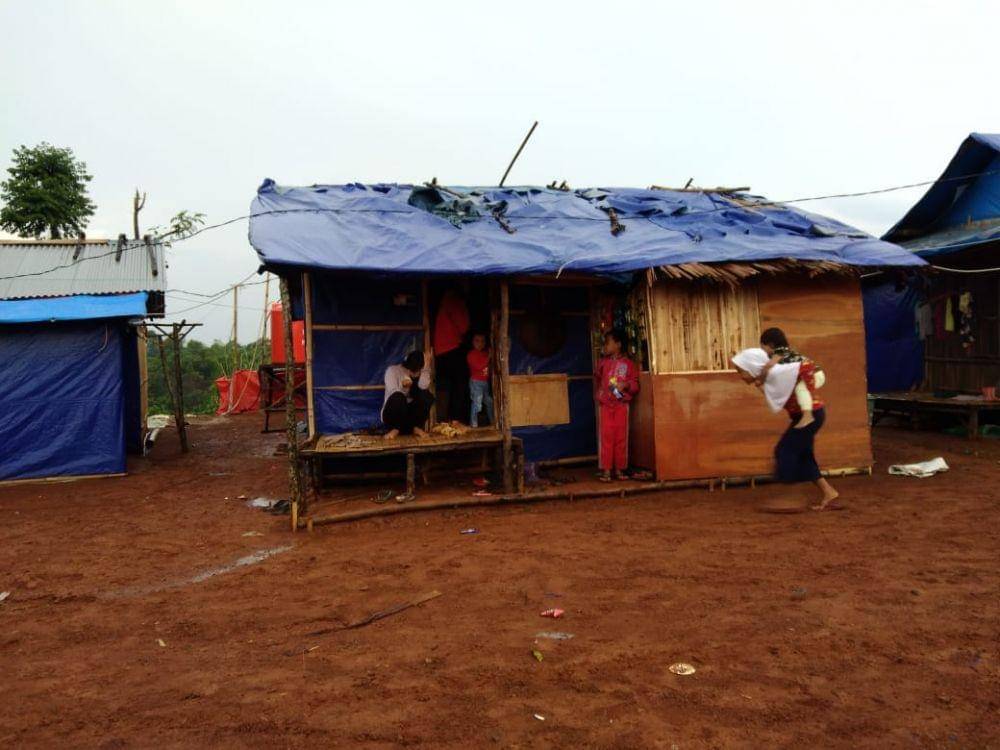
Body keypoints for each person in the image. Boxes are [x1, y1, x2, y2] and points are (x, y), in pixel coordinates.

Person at [731, 329, 839, 510]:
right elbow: (770, 392)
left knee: (785, 451)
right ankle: (829, 492)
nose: (741, 376)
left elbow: (801, 368)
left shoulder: (780, 370)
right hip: (808, 415)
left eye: (741, 371)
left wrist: (761, 374)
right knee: (804, 455)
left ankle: (791, 498)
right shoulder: (774, 374)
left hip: (811, 415)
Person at [757, 329, 826, 429]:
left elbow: (769, 366)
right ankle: (801, 414)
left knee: (800, 389)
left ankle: (808, 415)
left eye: (763, 347)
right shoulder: (780, 352)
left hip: (814, 373)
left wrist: (761, 378)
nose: (762, 350)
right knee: (797, 390)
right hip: (808, 374)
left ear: (771, 345)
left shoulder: (780, 351)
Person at [595, 329, 639, 482]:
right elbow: (599, 378)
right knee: (606, 437)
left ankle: (620, 469)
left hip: (621, 405)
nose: (605, 346)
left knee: (621, 437)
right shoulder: (602, 363)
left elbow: (635, 385)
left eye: (608, 343)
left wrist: (625, 384)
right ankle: (606, 470)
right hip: (606, 405)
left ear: (618, 345)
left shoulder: (629, 365)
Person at [433, 287, 470, 422]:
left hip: (440, 350)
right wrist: (465, 308)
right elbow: (464, 326)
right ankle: (456, 419)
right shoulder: (454, 301)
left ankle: (443, 418)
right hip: (451, 348)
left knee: (445, 384)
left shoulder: (444, 302)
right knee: (460, 384)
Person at [381, 350, 434, 439]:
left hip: (409, 417)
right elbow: (392, 392)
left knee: (427, 396)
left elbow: (423, 386)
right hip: (392, 415)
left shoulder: (420, 371)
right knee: (398, 396)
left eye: (420, 370)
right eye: (418, 370)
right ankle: (395, 429)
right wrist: (404, 387)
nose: (418, 373)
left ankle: (415, 427)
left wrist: (426, 368)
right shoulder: (392, 371)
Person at [466, 332, 494, 427]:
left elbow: (489, 367)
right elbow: (479, 366)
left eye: (482, 341)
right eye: (477, 341)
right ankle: (474, 425)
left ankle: (493, 422)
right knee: (477, 403)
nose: (480, 343)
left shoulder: (485, 353)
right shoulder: (471, 355)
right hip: (476, 382)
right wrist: (489, 357)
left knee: (489, 402)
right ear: (472, 342)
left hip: (484, 382)